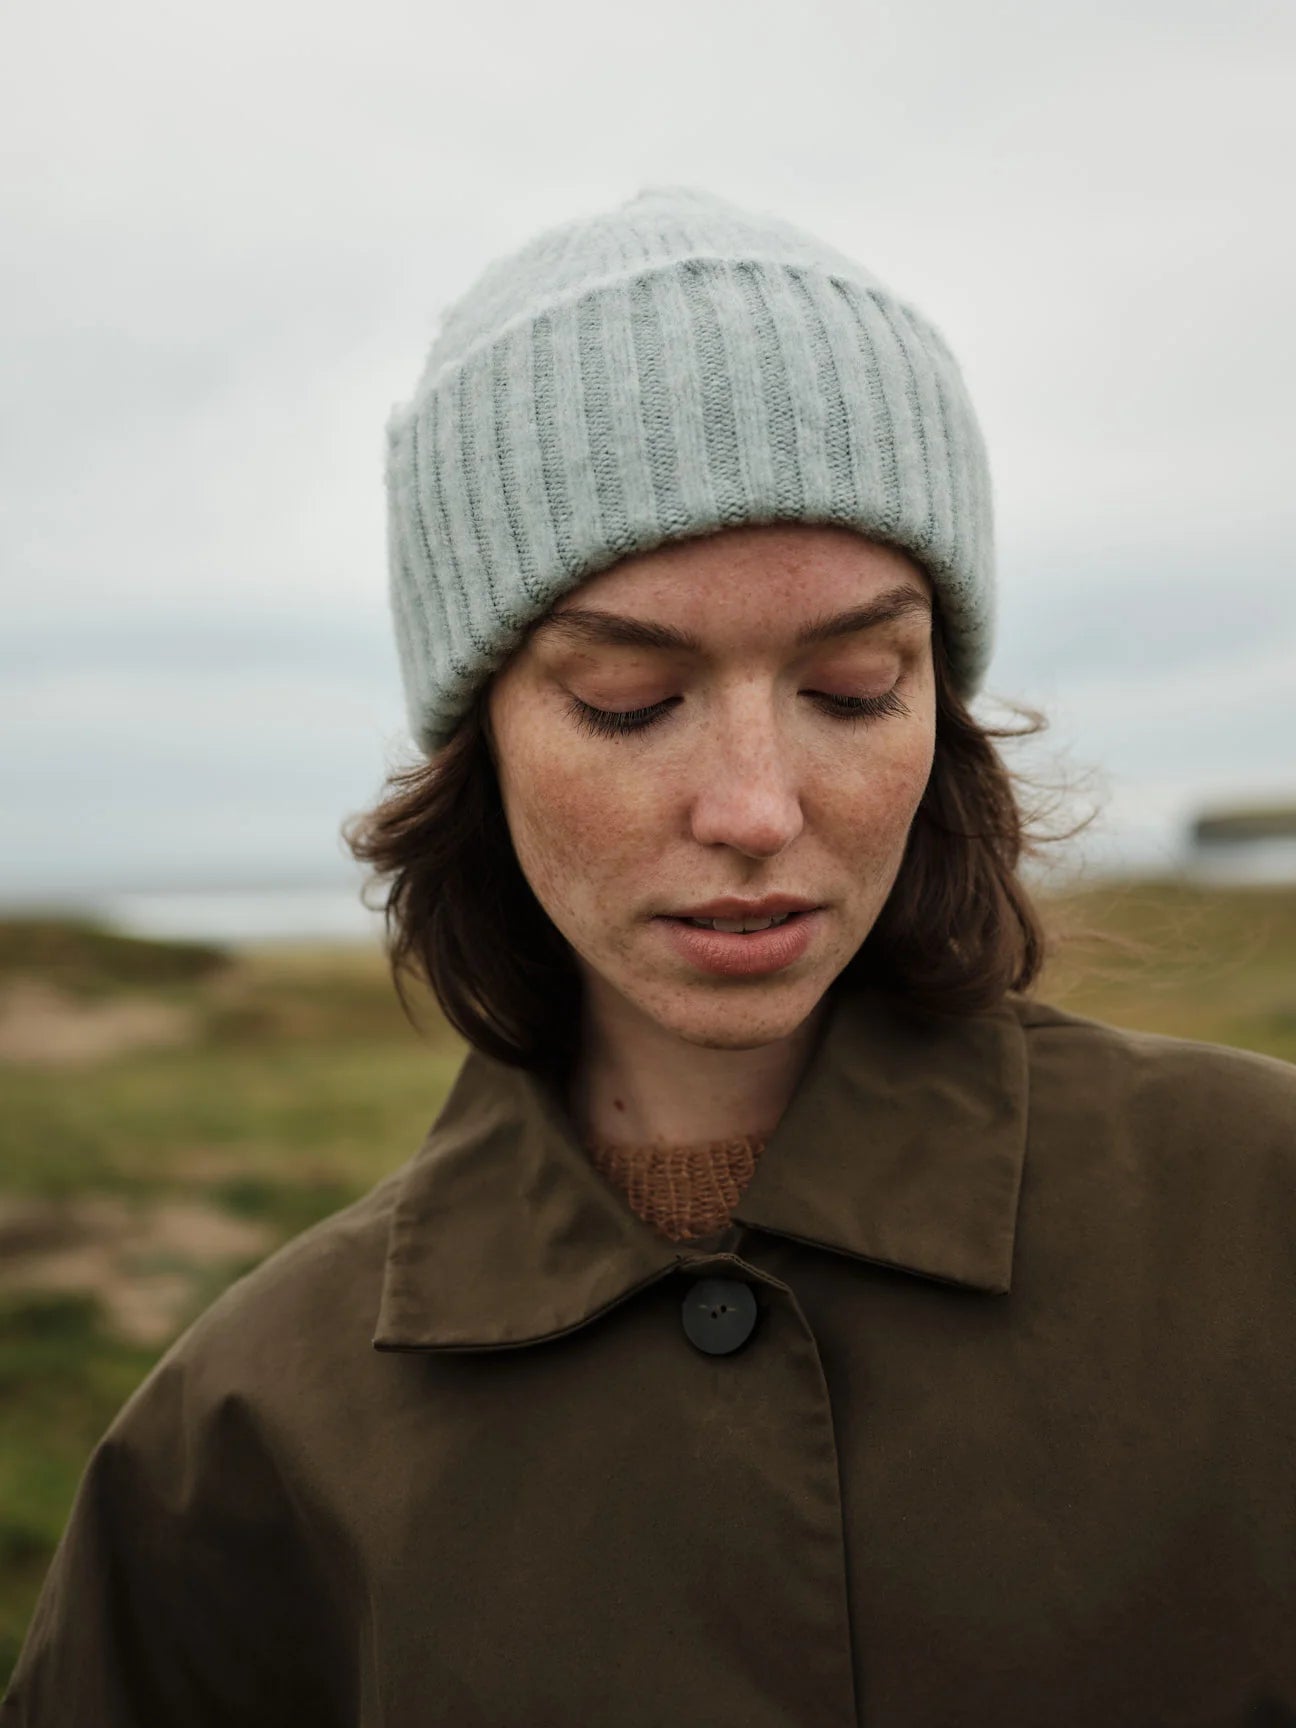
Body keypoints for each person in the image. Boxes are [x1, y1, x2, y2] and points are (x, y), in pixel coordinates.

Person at [4, 187, 1294, 1727]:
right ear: (475, 735)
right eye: (627, 697)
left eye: (856, 685)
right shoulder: (239, 1438)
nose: (755, 807)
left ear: (941, 706)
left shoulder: (1266, 1220)